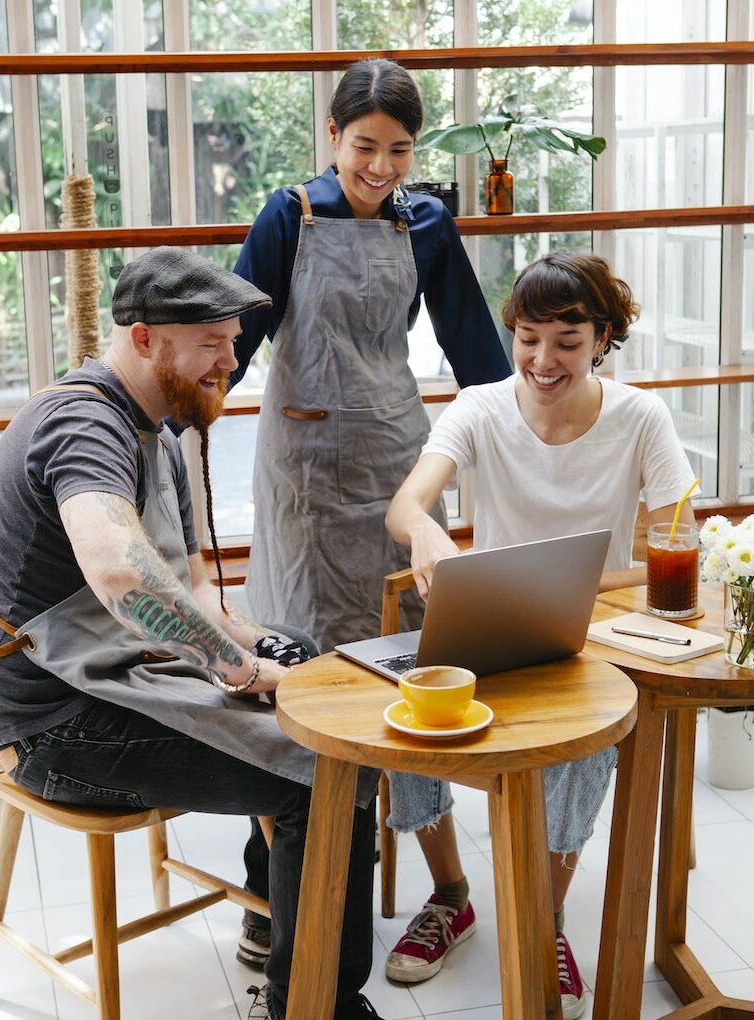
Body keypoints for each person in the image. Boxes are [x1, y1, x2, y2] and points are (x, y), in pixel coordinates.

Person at [0, 247, 382, 1020]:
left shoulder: (158, 424)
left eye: (232, 340)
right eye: (211, 343)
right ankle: (312, 1005)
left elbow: (192, 574)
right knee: (333, 768)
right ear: (146, 338)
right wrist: (238, 667)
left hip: (116, 673)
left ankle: (276, 916)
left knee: (322, 673)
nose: (232, 361)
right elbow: (121, 570)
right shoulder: (84, 422)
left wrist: (248, 638)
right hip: (55, 729)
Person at [231, 57, 509, 965]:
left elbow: (475, 347)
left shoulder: (425, 221)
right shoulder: (288, 215)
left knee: (402, 661)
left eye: (398, 149)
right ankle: (271, 877)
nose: (381, 166)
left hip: (394, 464)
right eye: (364, 147)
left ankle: (437, 885)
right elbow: (232, 344)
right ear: (332, 134)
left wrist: (535, 429)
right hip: (304, 475)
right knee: (299, 665)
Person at [383, 252, 698, 1019]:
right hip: (486, 628)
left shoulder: (638, 416)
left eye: (566, 339)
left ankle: (544, 911)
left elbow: (677, 539)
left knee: (584, 746)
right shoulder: (481, 406)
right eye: (529, 338)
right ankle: (451, 895)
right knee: (405, 710)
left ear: (603, 337)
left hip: (590, 637)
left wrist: (593, 589)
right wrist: (426, 536)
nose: (543, 360)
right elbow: (406, 506)